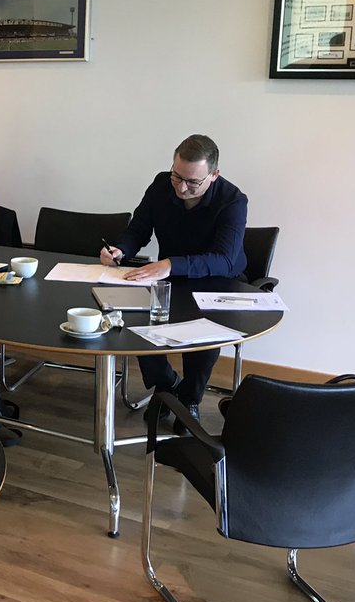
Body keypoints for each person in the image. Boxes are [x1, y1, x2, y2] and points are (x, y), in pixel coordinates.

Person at [101, 134, 248, 423]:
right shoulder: (161, 185)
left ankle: (190, 399)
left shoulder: (233, 200)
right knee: (135, 316)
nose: (181, 188)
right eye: (176, 177)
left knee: (204, 330)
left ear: (214, 175)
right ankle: (167, 384)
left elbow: (224, 259)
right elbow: (138, 229)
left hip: (217, 281)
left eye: (192, 182)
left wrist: (170, 264)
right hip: (169, 277)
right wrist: (121, 249)